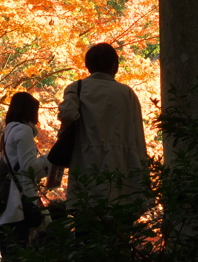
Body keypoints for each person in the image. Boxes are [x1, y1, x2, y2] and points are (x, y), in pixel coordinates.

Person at [58, 43, 149, 216]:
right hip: (122, 173)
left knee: (87, 230)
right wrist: (143, 181)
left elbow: (68, 115)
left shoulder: (76, 88)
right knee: (119, 234)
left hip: (85, 169)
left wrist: (65, 136)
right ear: (115, 67)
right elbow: (138, 137)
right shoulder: (127, 93)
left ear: (87, 66)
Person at [0, 94, 49, 258]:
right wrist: (49, 159)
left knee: (10, 260)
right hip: (17, 208)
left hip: (3, 209)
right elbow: (29, 169)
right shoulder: (23, 131)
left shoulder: (7, 133)